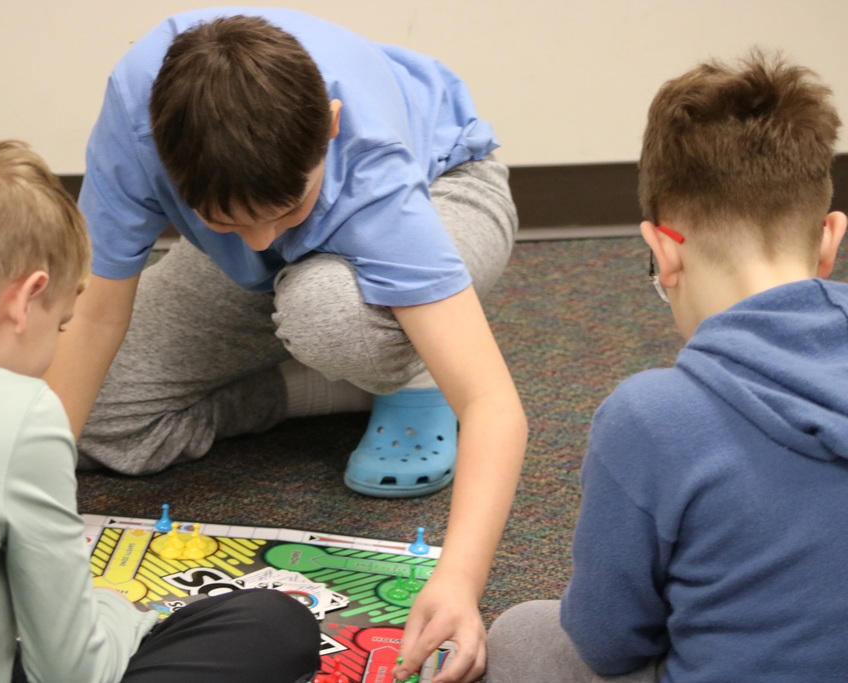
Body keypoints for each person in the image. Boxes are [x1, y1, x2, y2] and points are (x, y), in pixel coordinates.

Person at [46, 9, 528, 682]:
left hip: (446, 188)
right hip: (279, 254)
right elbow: (94, 320)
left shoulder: (370, 166)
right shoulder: (138, 118)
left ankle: (417, 368)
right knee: (101, 419)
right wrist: (31, 499)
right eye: (221, 220)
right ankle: (344, 381)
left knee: (328, 311)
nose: (264, 240)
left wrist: (457, 581)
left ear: (329, 127)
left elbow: (492, 404)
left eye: (290, 211)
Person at [0, 139, 320, 683]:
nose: (56, 349)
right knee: (274, 623)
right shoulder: (19, 413)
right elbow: (70, 671)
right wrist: (112, 608)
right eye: (61, 324)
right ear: (25, 298)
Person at [486, 51, 848, 683]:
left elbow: (608, 642)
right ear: (829, 240)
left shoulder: (651, 418)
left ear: (662, 252)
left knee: (521, 635)